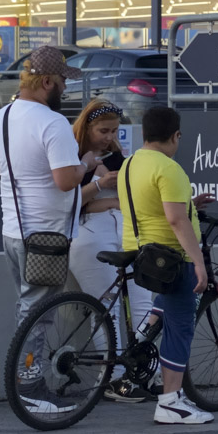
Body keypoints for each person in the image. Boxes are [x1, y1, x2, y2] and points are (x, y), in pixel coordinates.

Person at [0, 45, 100, 412]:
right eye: (62, 81)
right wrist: (87, 163)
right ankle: (29, 386)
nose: (65, 88)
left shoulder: (5, 116)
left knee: (29, 308)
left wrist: (22, 175)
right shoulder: (52, 122)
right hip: (46, 236)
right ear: (47, 82)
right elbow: (65, 181)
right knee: (38, 315)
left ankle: (25, 380)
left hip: (13, 231)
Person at [119, 105, 215, 425]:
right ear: (176, 136)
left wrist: (191, 203)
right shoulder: (170, 168)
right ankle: (171, 402)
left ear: (144, 133)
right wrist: (198, 262)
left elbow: (154, 206)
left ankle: (141, 348)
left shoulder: (130, 164)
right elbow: (174, 220)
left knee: (164, 308)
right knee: (181, 326)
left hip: (137, 252)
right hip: (170, 259)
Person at [68, 98, 161, 404]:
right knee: (106, 307)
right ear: (87, 127)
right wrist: (103, 192)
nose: (109, 136)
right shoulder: (73, 155)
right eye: (103, 130)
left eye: (115, 130)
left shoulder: (119, 156)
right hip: (88, 232)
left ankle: (148, 372)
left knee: (145, 301)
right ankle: (112, 378)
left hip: (125, 231)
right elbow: (64, 203)